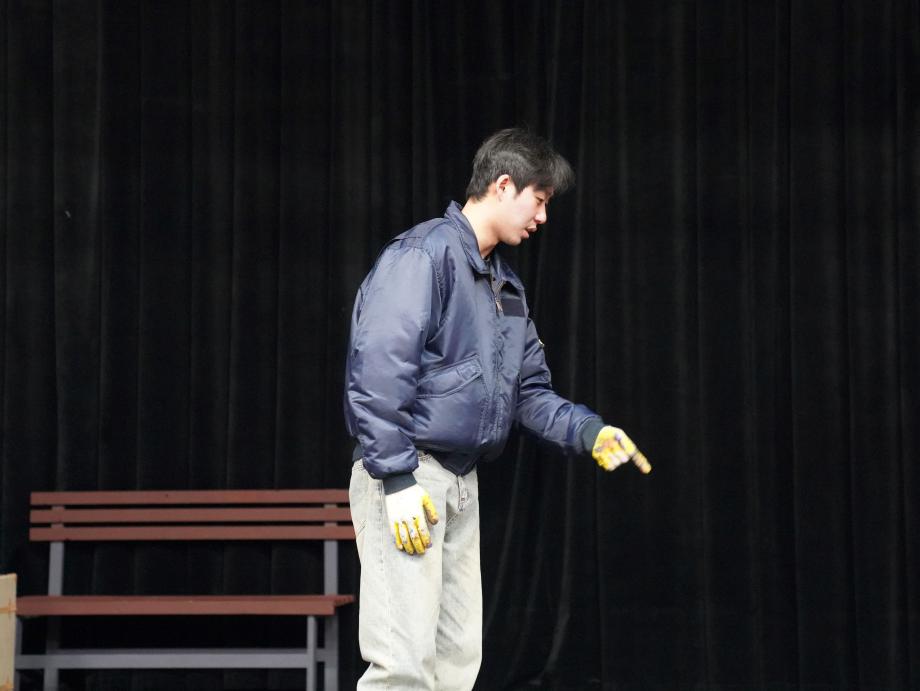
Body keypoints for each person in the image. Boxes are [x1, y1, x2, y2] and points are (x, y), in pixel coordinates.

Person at [343, 127, 649, 690]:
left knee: (457, 662)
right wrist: (396, 478)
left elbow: (528, 392)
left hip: (460, 484)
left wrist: (589, 431)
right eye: (540, 200)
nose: (543, 217)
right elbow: (377, 371)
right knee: (403, 665)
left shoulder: (503, 285)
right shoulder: (423, 255)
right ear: (504, 185)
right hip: (409, 477)